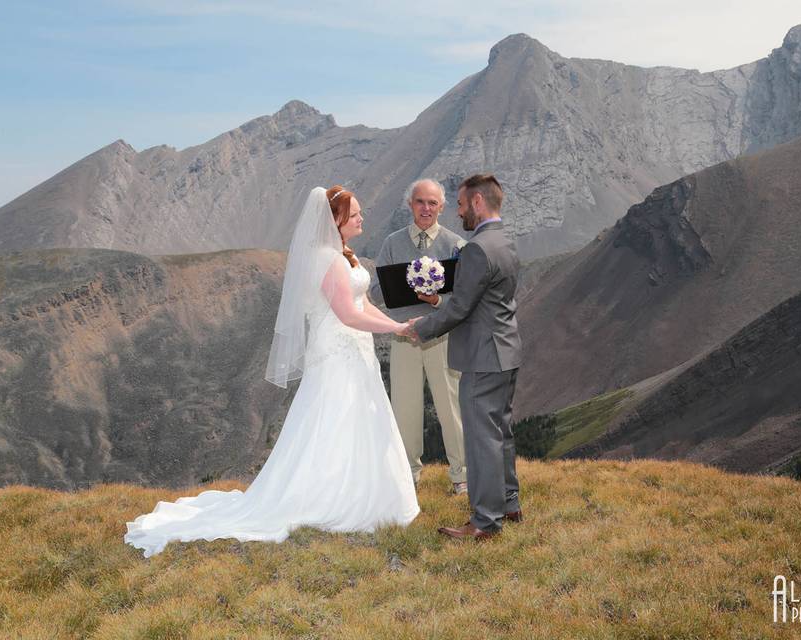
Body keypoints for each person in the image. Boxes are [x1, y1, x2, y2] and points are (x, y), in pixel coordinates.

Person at [124, 185, 419, 557]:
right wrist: (395, 330)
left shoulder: (344, 256)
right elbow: (346, 315)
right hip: (337, 354)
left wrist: (397, 325)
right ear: (337, 220)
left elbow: (365, 303)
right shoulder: (327, 260)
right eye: (356, 213)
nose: (362, 218)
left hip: (356, 353)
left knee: (358, 421)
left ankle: (368, 492)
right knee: (335, 422)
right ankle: (332, 498)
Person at [404, 174, 523, 540]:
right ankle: (509, 503)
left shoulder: (476, 249)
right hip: (506, 351)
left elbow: (459, 309)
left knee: (480, 439)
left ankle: (485, 523)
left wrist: (420, 328)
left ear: (476, 203)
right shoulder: (506, 241)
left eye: (458, 204)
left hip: (482, 357)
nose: (456, 212)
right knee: (500, 432)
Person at [369, 179, 468, 493]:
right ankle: (408, 475)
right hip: (404, 337)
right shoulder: (392, 243)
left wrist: (436, 300)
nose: (426, 209)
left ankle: (462, 476)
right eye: (420, 202)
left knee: (451, 407)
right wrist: (403, 286)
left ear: (442, 206)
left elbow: (465, 298)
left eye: (433, 203)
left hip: (442, 336)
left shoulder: (456, 246)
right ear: (410, 204)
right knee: (405, 408)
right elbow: (374, 291)